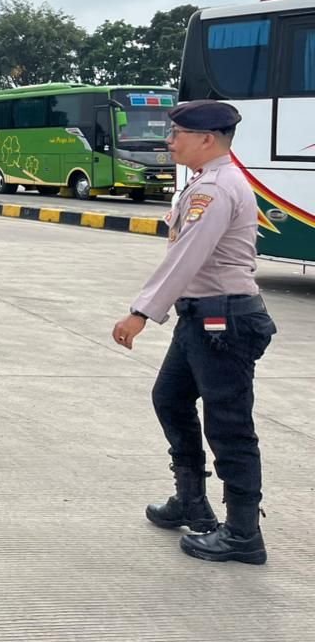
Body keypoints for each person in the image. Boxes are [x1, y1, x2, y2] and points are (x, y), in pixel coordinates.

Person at [112, 100, 276, 565]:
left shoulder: (217, 189)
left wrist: (141, 312)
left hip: (224, 321)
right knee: (169, 398)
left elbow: (188, 256)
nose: (169, 142)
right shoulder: (206, 181)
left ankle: (243, 533)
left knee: (229, 425)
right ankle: (191, 501)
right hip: (201, 317)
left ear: (206, 139)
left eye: (177, 134)